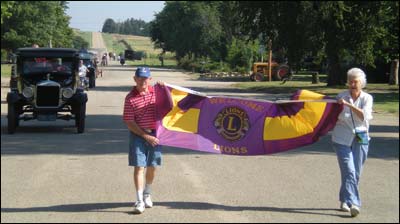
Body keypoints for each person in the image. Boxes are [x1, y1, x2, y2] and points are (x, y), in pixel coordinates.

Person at [331, 67, 373, 217]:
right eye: (350, 81)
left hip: (361, 136)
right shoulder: (341, 96)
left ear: (362, 83)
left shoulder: (367, 98)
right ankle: (354, 203)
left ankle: (344, 199)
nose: (352, 84)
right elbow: (330, 115)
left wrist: (348, 105)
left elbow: (364, 116)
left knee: (356, 172)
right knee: (349, 170)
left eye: (355, 82)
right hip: (341, 137)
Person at [123, 67, 163, 214]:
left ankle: (147, 193)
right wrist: (145, 136)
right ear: (135, 79)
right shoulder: (130, 98)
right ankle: (139, 200)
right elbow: (129, 122)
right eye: (140, 78)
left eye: (145, 78)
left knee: (152, 166)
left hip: (156, 134)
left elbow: (171, 105)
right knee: (139, 167)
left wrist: (165, 89)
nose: (142, 81)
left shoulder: (157, 93)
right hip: (138, 135)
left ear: (150, 79)